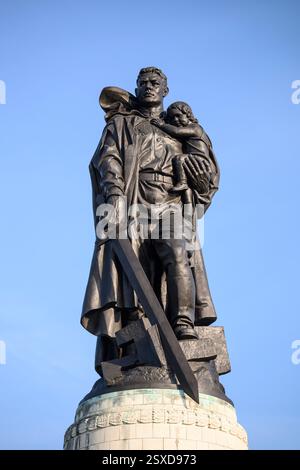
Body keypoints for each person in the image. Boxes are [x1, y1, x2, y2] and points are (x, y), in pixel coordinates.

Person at [81, 67, 220, 371]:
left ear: (165, 90)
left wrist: (199, 175)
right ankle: (135, 327)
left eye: (155, 83)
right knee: (131, 263)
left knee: (176, 252)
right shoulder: (122, 124)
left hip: (170, 203)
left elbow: (206, 173)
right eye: (142, 83)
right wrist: (116, 195)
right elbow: (108, 160)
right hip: (134, 201)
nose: (148, 87)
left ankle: (183, 321)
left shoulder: (180, 128)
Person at [151, 101, 210, 195]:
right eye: (172, 118)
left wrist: (161, 125)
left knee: (179, 158)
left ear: (188, 115)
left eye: (178, 116)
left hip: (199, 159)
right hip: (193, 158)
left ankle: (182, 182)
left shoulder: (196, 128)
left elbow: (176, 131)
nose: (175, 119)